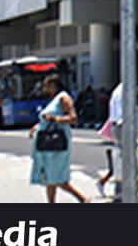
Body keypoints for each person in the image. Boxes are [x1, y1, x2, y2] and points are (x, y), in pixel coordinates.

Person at [28, 75, 88, 203]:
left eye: (46, 85)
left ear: (54, 85)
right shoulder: (53, 99)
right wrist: (37, 126)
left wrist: (55, 119)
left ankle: (83, 199)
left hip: (57, 142)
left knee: (56, 176)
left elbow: (73, 118)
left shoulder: (63, 98)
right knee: (50, 175)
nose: (44, 88)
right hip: (48, 143)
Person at [97, 81, 124, 199]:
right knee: (122, 160)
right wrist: (121, 124)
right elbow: (119, 111)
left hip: (118, 126)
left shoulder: (118, 91)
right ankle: (120, 192)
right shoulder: (123, 91)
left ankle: (124, 190)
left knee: (122, 159)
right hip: (121, 126)